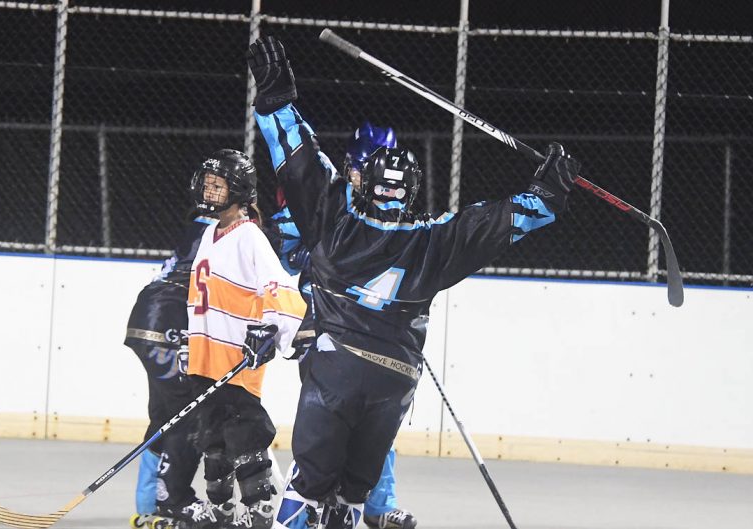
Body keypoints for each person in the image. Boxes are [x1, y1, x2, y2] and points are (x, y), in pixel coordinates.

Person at [247, 36, 580, 529]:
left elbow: (301, 163)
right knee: (354, 495)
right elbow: (496, 222)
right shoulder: (435, 240)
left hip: (335, 367)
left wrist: (277, 102)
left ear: (362, 178)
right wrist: (548, 193)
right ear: (413, 190)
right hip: (395, 378)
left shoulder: (337, 220)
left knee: (309, 486)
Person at [267, 122, 417, 529]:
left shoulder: (392, 214)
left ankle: (376, 504)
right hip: (326, 330)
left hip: (374, 335)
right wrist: (319, 269)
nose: (369, 177)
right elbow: (285, 249)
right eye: (361, 167)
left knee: (376, 420)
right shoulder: (327, 198)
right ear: (351, 164)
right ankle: (312, 505)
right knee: (327, 431)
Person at [177, 148, 307, 529]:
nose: (209, 191)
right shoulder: (208, 234)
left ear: (239, 191)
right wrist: (189, 341)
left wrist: (270, 329)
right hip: (205, 362)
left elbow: (278, 288)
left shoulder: (249, 236)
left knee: (246, 447)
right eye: (208, 184)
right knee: (214, 450)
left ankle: (260, 516)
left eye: (218, 186)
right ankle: (223, 517)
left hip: (235, 363)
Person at [124, 211, 214, 529]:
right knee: (188, 414)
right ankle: (172, 502)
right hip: (163, 326)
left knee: (165, 417)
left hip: (152, 322)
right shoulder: (218, 229)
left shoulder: (202, 224)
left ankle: (146, 508)